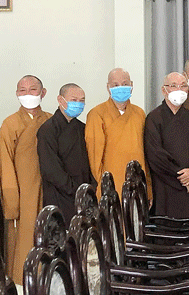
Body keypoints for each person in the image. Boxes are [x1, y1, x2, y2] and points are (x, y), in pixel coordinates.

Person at [0, 75, 51, 283]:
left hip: (49, 189)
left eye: (32, 89)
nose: (27, 94)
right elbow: (5, 165)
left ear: (43, 92)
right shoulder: (10, 124)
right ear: (16, 94)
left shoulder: (50, 120)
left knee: (48, 234)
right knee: (22, 241)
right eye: (22, 90)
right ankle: (20, 289)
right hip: (23, 194)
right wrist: (12, 201)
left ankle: (49, 282)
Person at [144, 72, 189, 219]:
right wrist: (181, 177)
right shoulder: (153, 119)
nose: (179, 89)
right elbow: (155, 154)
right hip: (165, 188)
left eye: (183, 86)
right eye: (173, 86)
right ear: (163, 90)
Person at [85, 68, 151, 199]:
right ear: (108, 87)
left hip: (138, 182)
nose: (121, 88)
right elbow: (94, 157)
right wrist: (104, 185)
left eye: (125, 84)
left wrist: (148, 187)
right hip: (111, 184)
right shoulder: (97, 114)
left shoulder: (139, 113)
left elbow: (146, 152)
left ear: (132, 86)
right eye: (115, 85)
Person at [37, 83, 96, 224]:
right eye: (74, 100)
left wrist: (90, 189)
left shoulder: (83, 128)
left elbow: (90, 161)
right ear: (60, 100)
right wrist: (74, 189)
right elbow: (50, 170)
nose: (78, 104)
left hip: (83, 197)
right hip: (59, 196)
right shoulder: (48, 130)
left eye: (82, 101)